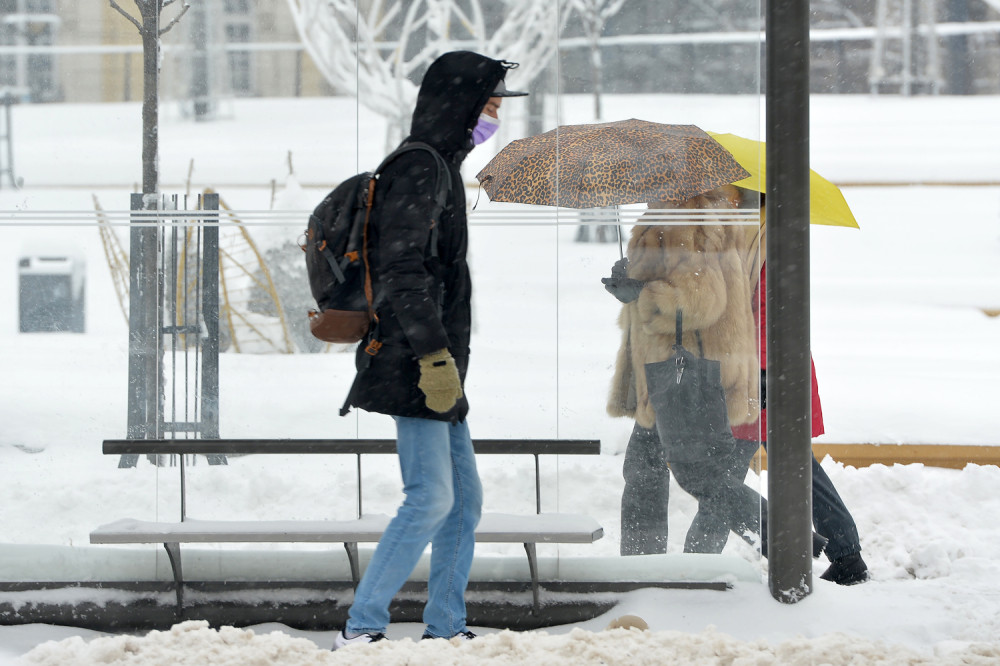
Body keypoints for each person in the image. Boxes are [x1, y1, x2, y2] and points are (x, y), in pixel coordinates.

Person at [333, 51, 528, 650]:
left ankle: (444, 627)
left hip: (435, 360)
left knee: (464, 503)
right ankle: (362, 626)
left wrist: (443, 358)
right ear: (458, 105)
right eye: (489, 104)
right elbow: (402, 270)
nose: (494, 115)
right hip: (412, 359)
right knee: (432, 497)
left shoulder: (440, 165)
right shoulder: (420, 168)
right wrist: (432, 356)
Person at [605, 187, 868, 584]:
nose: (728, 199)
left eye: (737, 195)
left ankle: (705, 565)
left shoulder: (750, 238)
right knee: (787, 468)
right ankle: (843, 552)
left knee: (717, 479)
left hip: (751, 373)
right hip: (740, 371)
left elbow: (754, 311)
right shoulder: (737, 233)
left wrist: (759, 375)